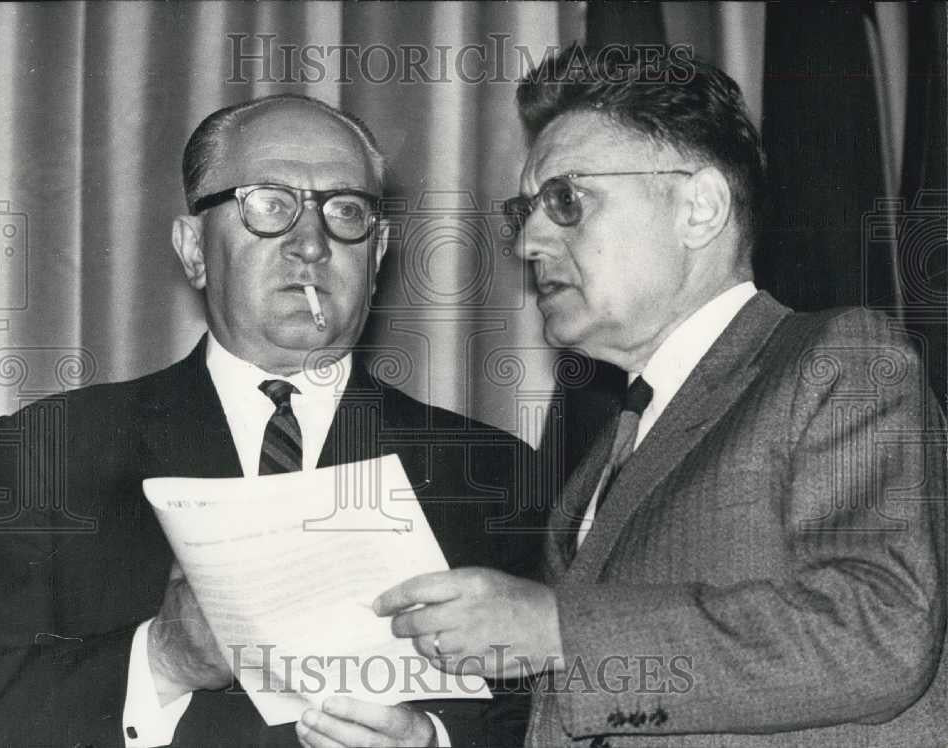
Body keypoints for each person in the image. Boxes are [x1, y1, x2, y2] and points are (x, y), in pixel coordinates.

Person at [374, 46, 948, 746]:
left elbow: (881, 631)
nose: (528, 241)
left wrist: (556, 630)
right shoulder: (606, 458)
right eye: (525, 209)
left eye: (565, 200)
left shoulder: (840, 362)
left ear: (698, 208)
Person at [0, 94, 542, 748]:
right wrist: (166, 658)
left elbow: (555, 711)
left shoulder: (494, 471)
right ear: (194, 247)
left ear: (376, 258)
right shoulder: (55, 449)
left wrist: (431, 743)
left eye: (346, 210)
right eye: (268, 204)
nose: (311, 244)